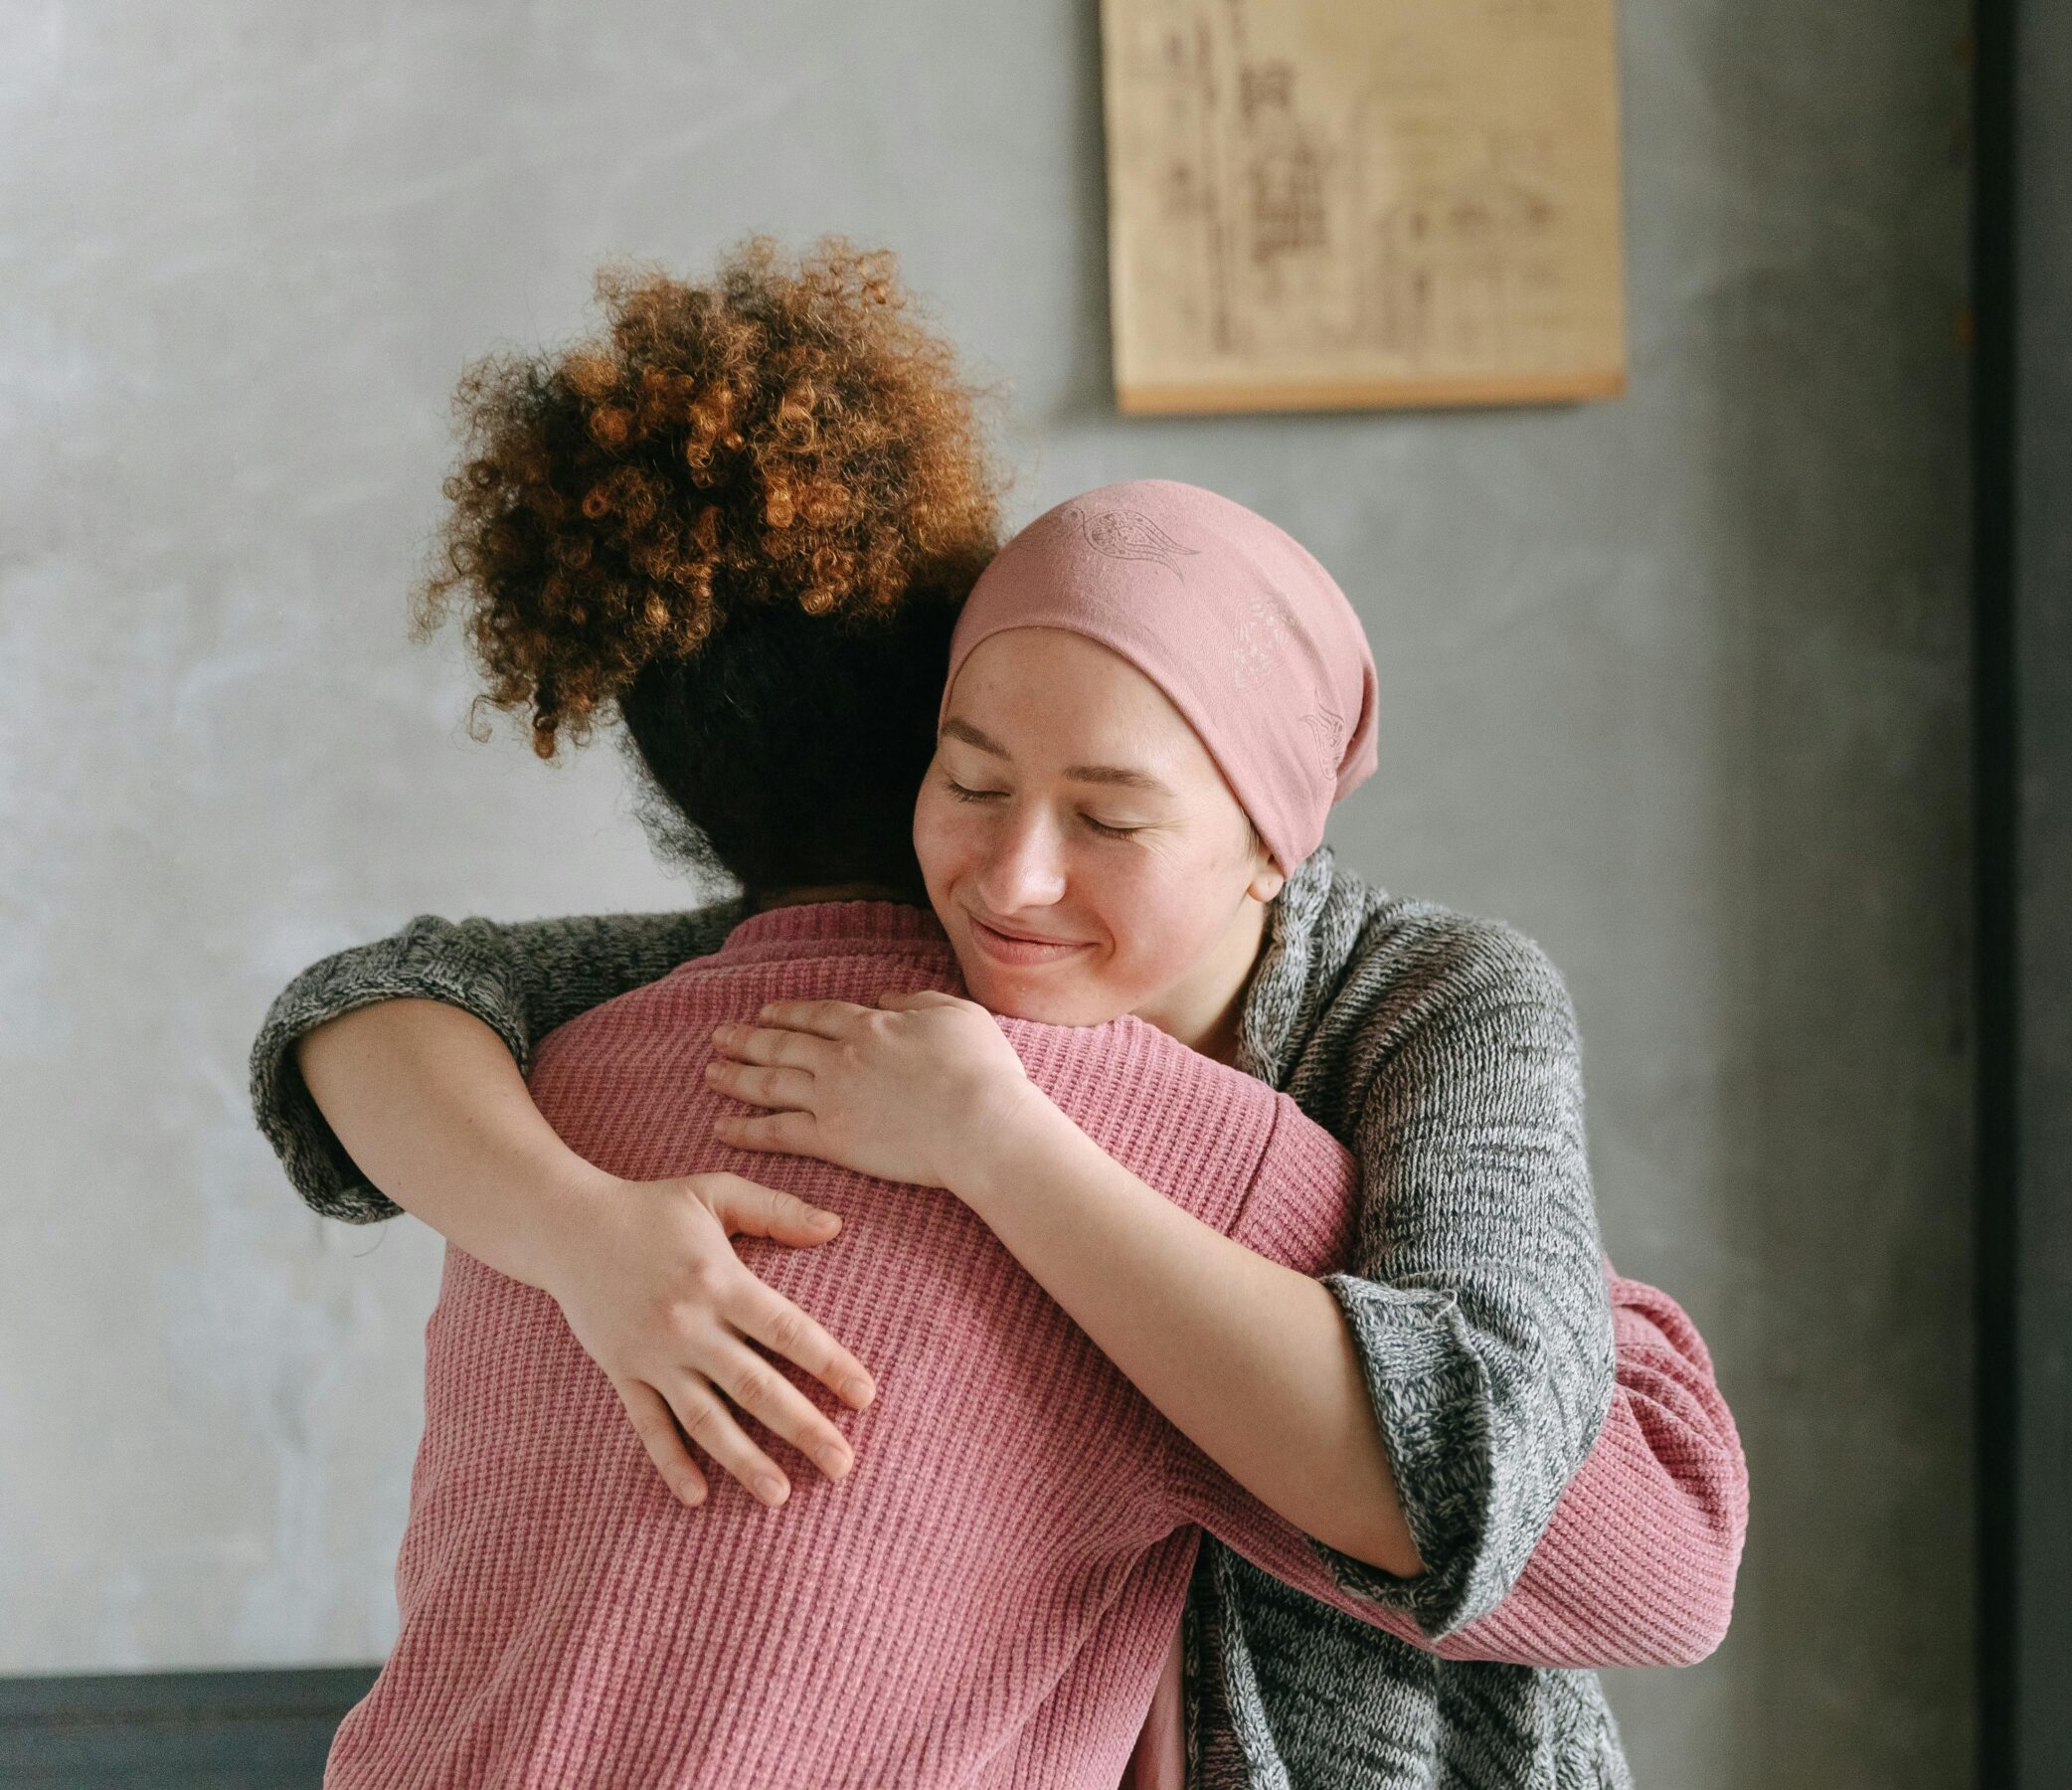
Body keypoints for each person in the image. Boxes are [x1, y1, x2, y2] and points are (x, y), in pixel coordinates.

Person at [255, 239, 1743, 1788]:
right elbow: (376, 1000)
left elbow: (1574, 1504)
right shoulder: (839, 1008)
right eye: (968, 784)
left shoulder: (1423, 1006)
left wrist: (1002, 1144)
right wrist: (584, 1234)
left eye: (1110, 818)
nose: (1015, 877)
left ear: (1272, 845)